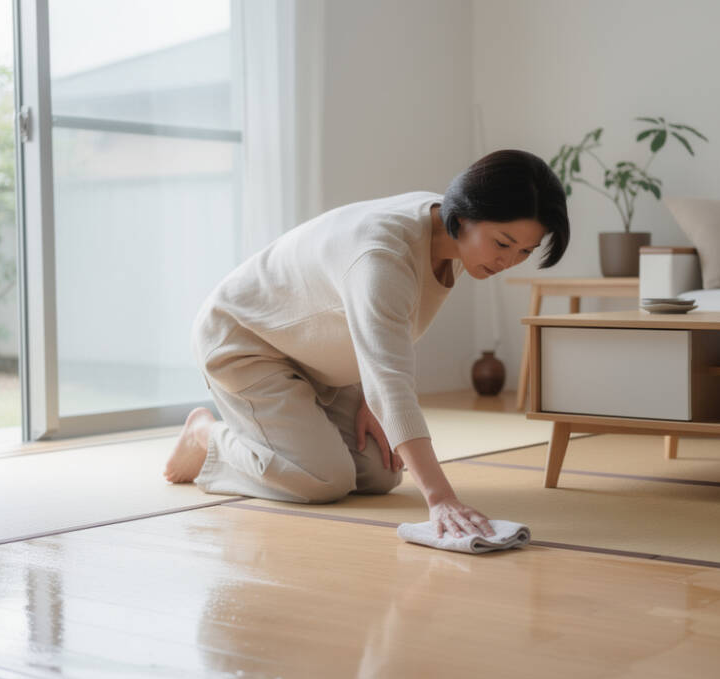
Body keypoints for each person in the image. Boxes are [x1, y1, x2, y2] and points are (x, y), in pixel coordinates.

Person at [163, 149, 570, 539]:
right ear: (464, 215)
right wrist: (442, 499)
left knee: (381, 474)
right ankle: (206, 435)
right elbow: (391, 379)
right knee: (324, 480)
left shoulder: (451, 233)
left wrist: (364, 397)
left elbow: (376, 330)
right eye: (503, 243)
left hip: (314, 354)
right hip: (246, 342)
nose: (507, 261)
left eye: (524, 251)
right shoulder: (383, 255)